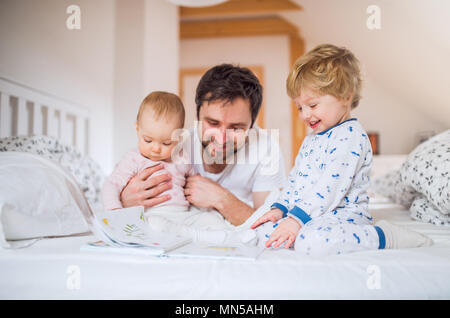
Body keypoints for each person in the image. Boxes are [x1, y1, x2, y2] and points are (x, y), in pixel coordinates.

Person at [251, 44, 433, 256]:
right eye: (300, 107)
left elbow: (330, 187)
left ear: (346, 96)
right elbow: (295, 180)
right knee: (261, 232)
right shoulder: (311, 139)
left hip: (343, 214)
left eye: (312, 105)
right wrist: (280, 208)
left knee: (313, 243)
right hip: (310, 214)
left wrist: (296, 220)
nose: (304, 115)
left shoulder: (351, 136)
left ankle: (382, 236)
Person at [119, 64, 287, 227]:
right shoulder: (173, 144)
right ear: (198, 114)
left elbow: (270, 226)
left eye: (236, 128)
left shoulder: (266, 149)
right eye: (213, 123)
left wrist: (222, 199)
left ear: (251, 125)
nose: (221, 139)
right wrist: (125, 201)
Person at [101, 91, 247, 244]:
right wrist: (115, 212)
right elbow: (111, 185)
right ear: (138, 129)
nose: (156, 149)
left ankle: (235, 236)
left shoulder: (181, 157)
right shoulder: (133, 160)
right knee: (155, 225)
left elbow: (195, 182)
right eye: (148, 140)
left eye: (166, 143)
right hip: (155, 215)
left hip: (184, 214)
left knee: (211, 218)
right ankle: (198, 237)